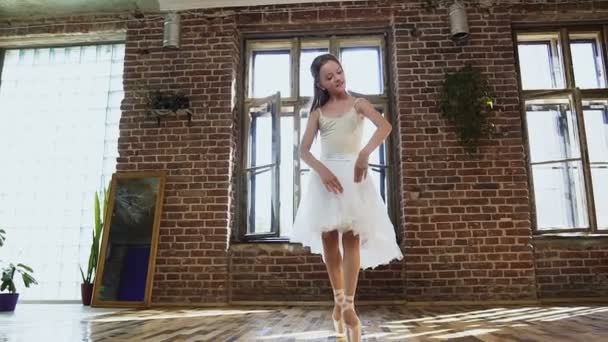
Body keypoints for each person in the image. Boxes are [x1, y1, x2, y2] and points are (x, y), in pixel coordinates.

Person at [290, 53, 403, 342]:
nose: (337, 79)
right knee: (330, 242)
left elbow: (385, 127)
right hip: (327, 181)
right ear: (320, 84)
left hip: (354, 178)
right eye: (329, 77)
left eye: (338, 72)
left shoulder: (359, 104)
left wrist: (364, 154)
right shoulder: (318, 113)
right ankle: (338, 302)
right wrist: (323, 172)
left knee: (352, 240)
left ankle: (349, 307)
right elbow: (303, 151)